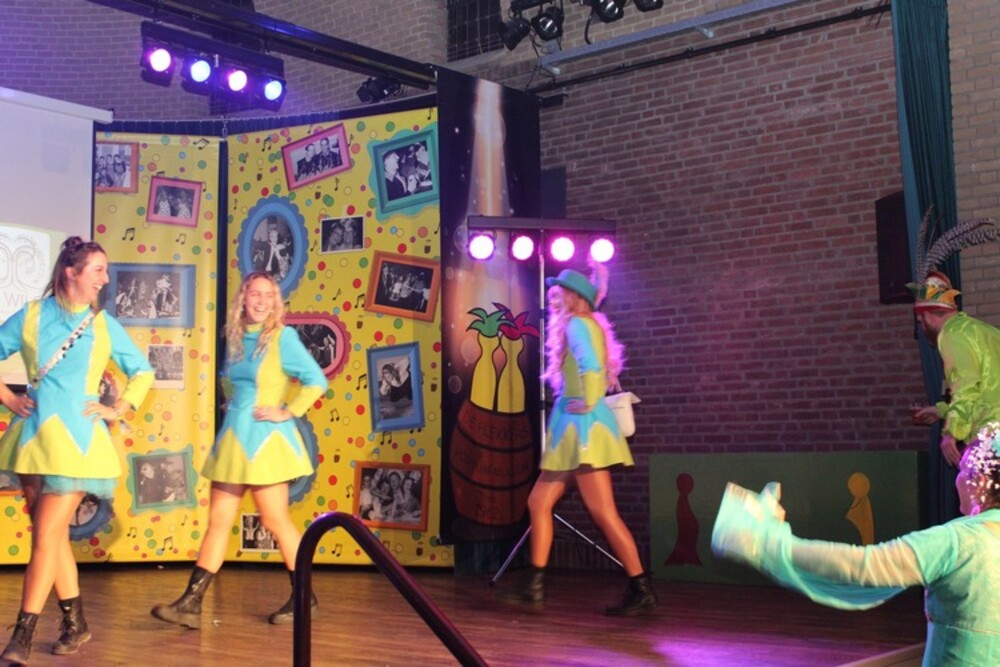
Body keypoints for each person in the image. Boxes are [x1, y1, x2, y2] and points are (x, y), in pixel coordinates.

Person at [711, 420, 1000, 665]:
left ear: (979, 481)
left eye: (963, 471)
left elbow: (864, 565)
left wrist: (767, 542)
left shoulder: (959, 541)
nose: (957, 479)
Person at [0, 237, 154, 663]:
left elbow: (142, 372)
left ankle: (22, 635)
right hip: (34, 440)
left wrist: (116, 408)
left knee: (45, 536)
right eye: (98, 270)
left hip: (78, 445)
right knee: (50, 537)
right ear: (71, 272)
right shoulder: (33, 315)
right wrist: (9, 398)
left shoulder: (102, 325)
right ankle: (75, 623)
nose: (105, 279)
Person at [151, 271, 327, 629]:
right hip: (234, 437)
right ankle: (190, 603)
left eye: (268, 295)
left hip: (263, 441)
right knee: (218, 521)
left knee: (275, 520)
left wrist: (288, 411)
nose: (261, 301)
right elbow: (237, 385)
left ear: (276, 302)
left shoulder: (282, 338)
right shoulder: (235, 337)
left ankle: (305, 597)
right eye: (255, 294)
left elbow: (316, 380)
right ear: (243, 298)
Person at [498, 266, 657, 616]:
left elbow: (591, 366)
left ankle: (641, 586)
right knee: (539, 502)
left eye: (561, 293)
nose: (555, 298)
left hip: (581, 429)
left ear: (575, 297)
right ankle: (534, 584)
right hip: (573, 428)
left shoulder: (577, 325)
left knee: (603, 512)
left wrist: (588, 398)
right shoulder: (589, 323)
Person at [910, 271, 1000, 468]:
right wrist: (941, 410)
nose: (922, 328)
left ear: (926, 316)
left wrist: (952, 431)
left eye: (920, 322)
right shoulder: (981, 330)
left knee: (972, 485)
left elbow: (966, 386)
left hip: (993, 434)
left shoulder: (951, 334)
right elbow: (987, 388)